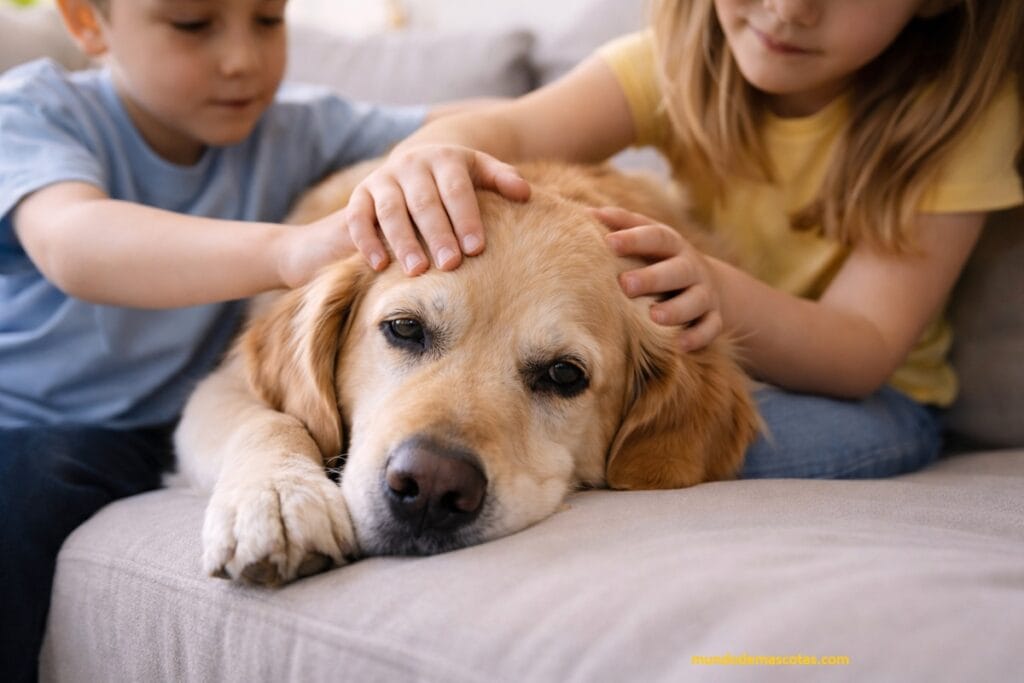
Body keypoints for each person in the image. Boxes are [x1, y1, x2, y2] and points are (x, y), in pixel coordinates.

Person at [340, 0, 1024, 480]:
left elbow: (863, 349)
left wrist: (719, 293)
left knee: (667, 450)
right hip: (725, 355)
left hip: (874, 398)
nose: (789, 8)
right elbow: (514, 131)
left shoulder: (960, 120)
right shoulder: (671, 63)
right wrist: (430, 155)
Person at [0, 0, 478, 679]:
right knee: (24, 493)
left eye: (267, 20)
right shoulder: (34, 111)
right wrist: (286, 251)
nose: (243, 60)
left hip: (169, 423)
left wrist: (439, 154)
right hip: (29, 422)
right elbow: (73, 241)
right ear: (85, 23)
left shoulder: (297, 127)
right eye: (193, 25)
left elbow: (502, 120)